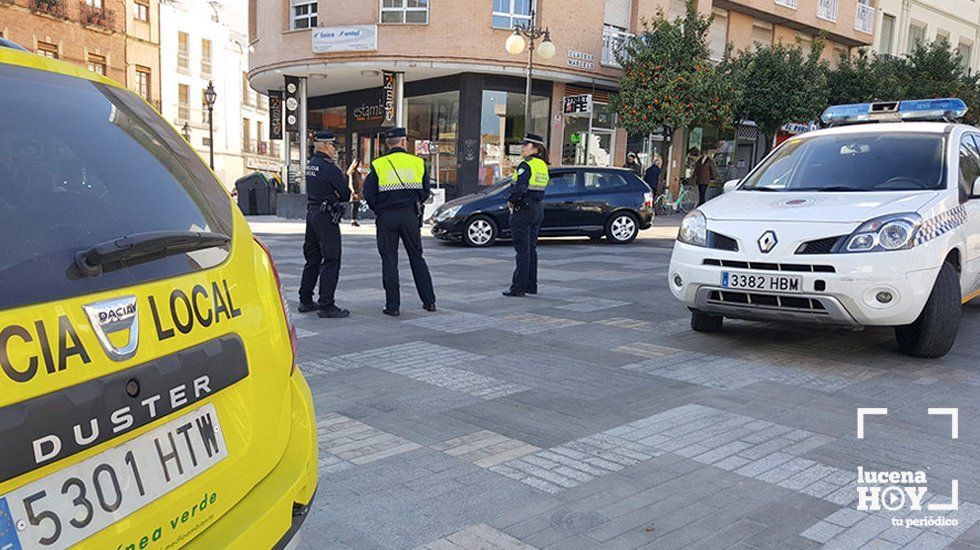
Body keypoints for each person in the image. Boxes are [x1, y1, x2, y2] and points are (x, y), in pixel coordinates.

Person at [362, 127, 436, 316]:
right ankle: (429, 301)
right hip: (410, 216)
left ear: (388, 144)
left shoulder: (378, 164)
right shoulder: (418, 162)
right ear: (404, 142)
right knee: (416, 257)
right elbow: (425, 192)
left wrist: (380, 209)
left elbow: (369, 194)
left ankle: (393, 306)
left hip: (386, 217)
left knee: (389, 260)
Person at [298, 131, 351, 319]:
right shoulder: (330, 168)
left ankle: (305, 299)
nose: (334, 150)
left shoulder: (311, 165)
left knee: (312, 258)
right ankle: (326, 304)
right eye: (333, 146)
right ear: (326, 145)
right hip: (326, 216)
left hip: (312, 213)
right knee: (331, 258)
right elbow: (345, 193)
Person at [503, 133, 549, 297]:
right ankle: (531, 285)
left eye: (526, 145)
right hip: (537, 209)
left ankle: (518, 288)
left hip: (523, 210)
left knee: (522, 251)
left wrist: (511, 201)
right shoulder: (542, 165)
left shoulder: (526, 164)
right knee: (531, 249)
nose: (522, 147)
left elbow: (520, 188)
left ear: (535, 148)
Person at [346, 158, 363, 226]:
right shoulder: (353, 173)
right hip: (355, 192)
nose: (361, 165)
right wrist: (354, 192)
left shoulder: (357, 172)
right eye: (360, 164)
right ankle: (353, 220)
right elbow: (352, 183)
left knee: (356, 205)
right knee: (354, 205)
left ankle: (354, 219)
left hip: (358, 191)